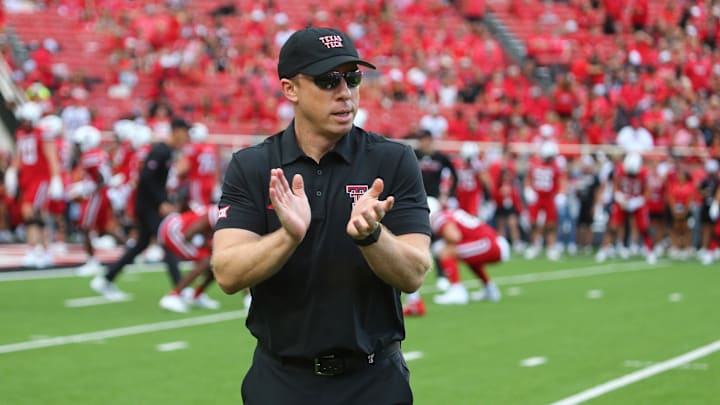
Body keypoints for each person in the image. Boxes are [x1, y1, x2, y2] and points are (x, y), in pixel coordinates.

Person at [211, 27, 432, 404]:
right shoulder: (253, 166)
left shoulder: (392, 160)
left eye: (353, 77)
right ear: (290, 89)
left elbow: (414, 273)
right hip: (280, 380)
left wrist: (371, 236)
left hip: (373, 380)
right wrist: (288, 236)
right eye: (328, 80)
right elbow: (227, 273)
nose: (345, 92)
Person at [90, 118, 191, 299]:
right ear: (176, 130)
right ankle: (180, 289)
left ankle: (106, 278)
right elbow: (146, 177)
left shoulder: (167, 151)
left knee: (140, 245)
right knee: (167, 243)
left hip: (148, 205)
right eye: (185, 131)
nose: (187, 135)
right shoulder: (160, 150)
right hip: (148, 206)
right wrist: (161, 201)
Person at [428, 197, 507, 305]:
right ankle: (490, 289)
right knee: (467, 257)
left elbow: (454, 237)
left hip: (489, 244)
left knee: (445, 251)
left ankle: (457, 291)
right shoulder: (449, 212)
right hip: (494, 242)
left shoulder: (438, 218)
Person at [157, 202, 221, 313]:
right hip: (174, 230)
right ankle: (173, 296)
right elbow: (188, 234)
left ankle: (196, 295)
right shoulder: (218, 213)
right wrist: (209, 245)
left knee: (216, 262)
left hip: (183, 229)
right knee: (206, 261)